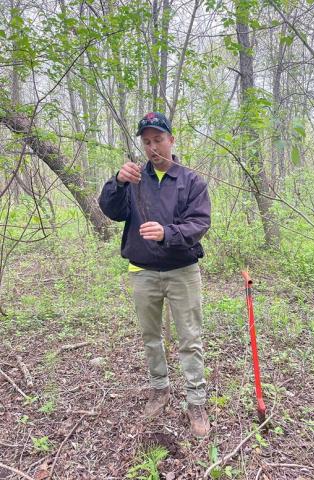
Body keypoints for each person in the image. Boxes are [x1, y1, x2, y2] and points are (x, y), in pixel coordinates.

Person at [98, 112, 211, 437]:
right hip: (143, 271)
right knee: (151, 338)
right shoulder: (134, 178)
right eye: (146, 142)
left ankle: (196, 401)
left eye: (158, 139)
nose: (152, 147)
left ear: (171, 140)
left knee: (190, 338)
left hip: (182, 271)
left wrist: (167, 233)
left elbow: (199, 223)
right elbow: (112, 211)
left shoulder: (190, 180)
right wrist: (117, 182)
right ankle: (160, 390)